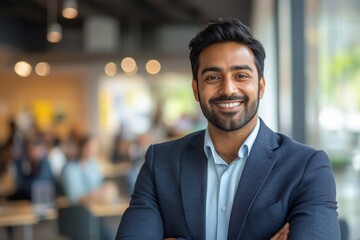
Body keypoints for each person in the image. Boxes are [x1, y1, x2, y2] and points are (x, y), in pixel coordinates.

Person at [115, 18, 340, 240]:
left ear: (260, 86)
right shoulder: (160, 164)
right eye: (212, 77)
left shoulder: (306, 167)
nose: (228, 89)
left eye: (241, 76)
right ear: (196, 89)